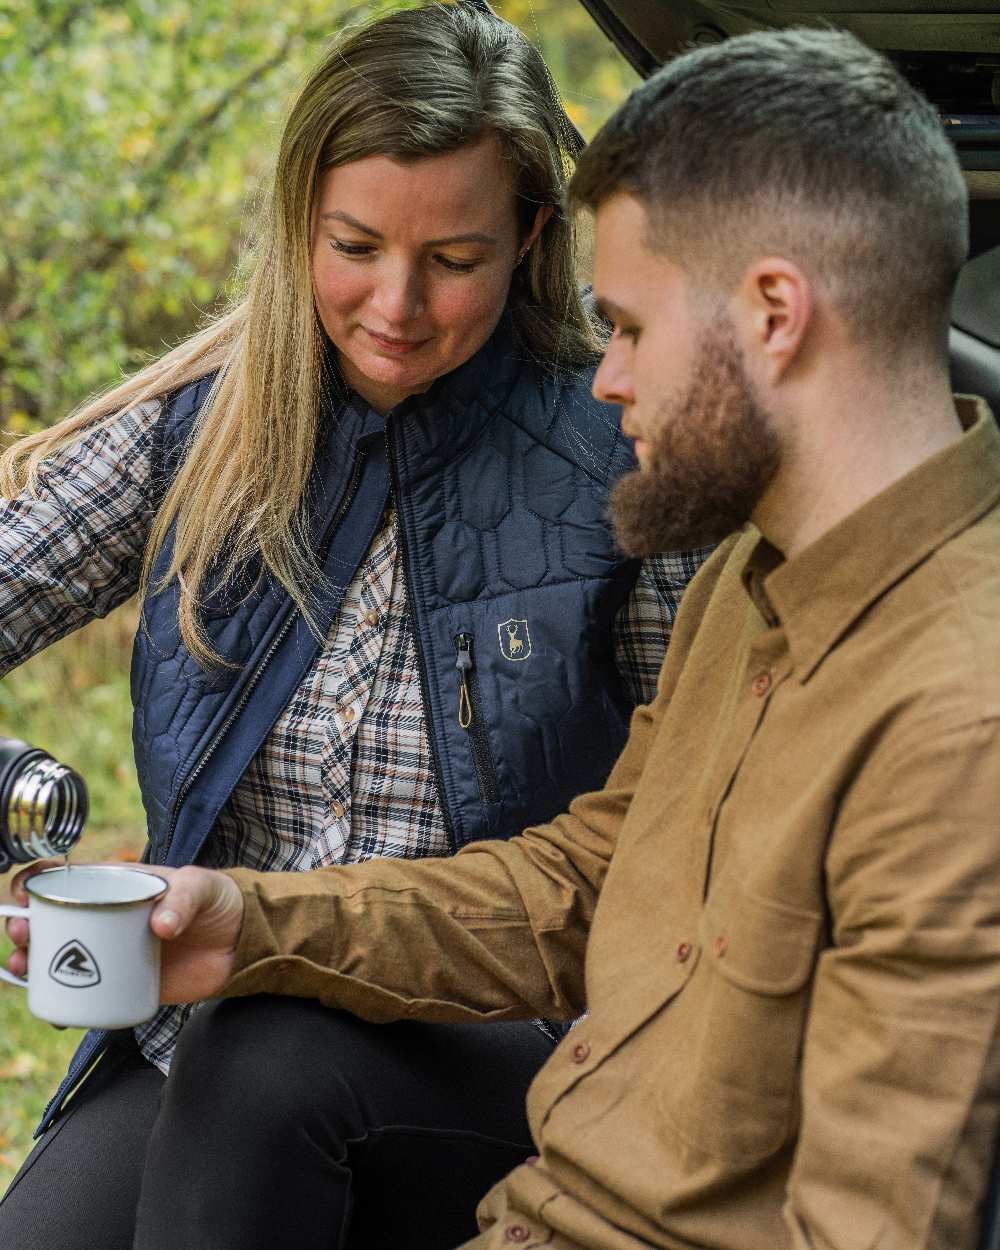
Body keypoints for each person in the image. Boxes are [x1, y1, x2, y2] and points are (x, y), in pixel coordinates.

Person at [37, 22, 1000, 1250]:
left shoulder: (957, 715)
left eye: (630, 327)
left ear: (773, 313)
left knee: (267, 1063)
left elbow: (872, 1219)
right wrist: (255, 921)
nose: (606, 378)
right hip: (523, 1178)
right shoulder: (750, 584)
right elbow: (585, 883)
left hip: (517, 1152)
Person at [0, 5, 705, 1249]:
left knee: (269, 1053)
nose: (397, 303)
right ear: (299, 224)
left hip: (514, 1055)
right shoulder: (212, 423)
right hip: (201, 1029)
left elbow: (685, 836)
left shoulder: (620, 454)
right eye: (356, 245)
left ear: (532, 238)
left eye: (455, 257)